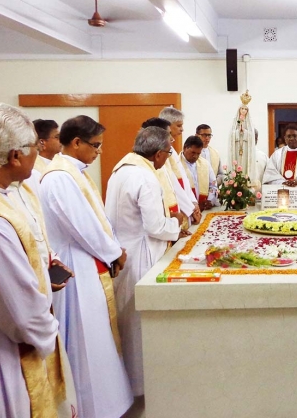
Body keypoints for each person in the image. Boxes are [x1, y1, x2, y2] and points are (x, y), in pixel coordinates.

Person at [0, 103, 76, 417]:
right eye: (33, 147)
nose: (37, 153)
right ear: (15, 155)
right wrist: (47, 339)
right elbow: (24, 316)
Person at [40, 115, 133, 418]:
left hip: (86, 260)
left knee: (97, 341)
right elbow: (84, 227)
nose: (98, 152)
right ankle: (93, 408)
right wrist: (114, 251)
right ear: (76, 142)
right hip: (75, 268)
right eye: (95, 145)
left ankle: (108, 403)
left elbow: (96, 221)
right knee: (85, 342)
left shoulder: (73, 173)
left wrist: (111, 248)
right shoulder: (59, 177)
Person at [106, 127, 182, 398]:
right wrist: (176, 224)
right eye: (168, 153)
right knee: (141, 321)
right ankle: (142, 385)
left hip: (122, 251)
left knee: (127, 319)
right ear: (159, 154)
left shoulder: (120, 170)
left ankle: (127, 381)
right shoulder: (146, 177)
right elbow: (154, 226)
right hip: (142, 253)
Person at [140, 117, 193, 232]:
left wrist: (191, 206)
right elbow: (153, 223)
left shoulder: (165, 154)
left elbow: (177, 183)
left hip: (169, 224)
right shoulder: (146, 169)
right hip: (158, 231)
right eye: (168, 134)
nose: (171, 139)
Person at [158, 107, 202, 225]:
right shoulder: (162, 152)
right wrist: (190, 209)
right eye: (178, 125)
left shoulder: (171, 149)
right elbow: (172, 185)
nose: (182, 129)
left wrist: (194, 202)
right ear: (167, 125)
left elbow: (184, 181)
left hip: (187, 208)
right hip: (177, 211)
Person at [181, 135, 219, 210]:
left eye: (198, 153)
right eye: (193, 152)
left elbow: (213, 185)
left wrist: (210, 201)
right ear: (185, 148)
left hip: (203, 208)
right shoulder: (177, 165)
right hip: (186, 209)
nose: (195, 156)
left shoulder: (205, 164)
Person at [25, 118, 61, 194]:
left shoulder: (58, 164)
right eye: (57, 137)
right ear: (42, 143)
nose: (61, 141)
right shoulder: (33, 172)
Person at [230, 101, 257, 183]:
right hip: (237, 146)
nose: (244, 111)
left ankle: (245, 179)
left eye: (246, 109)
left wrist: (244, 132)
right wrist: (238, 132)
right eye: (242, 108)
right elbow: (231, 134)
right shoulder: (235, 121)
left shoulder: (249, 122)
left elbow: (252, 135)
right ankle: (236, 180)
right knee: (237, 161)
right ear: (239, 110)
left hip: (246, 146)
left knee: (245, 163)